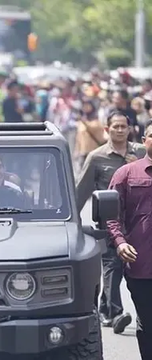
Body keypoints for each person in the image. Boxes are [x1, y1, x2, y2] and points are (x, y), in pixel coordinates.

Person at [76, 111, 143, 333]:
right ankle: (116, 314)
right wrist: (70, 221)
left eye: (124, 127)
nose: (120, 130)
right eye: (115, 126)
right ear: (107, 129)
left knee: (136, 268)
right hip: (109, 224)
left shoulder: (142, 152)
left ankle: (106, 308)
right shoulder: (97, 157)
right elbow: (81, 192)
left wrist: (138, 164)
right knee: (112, 267)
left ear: (130, 129)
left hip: (138, 223)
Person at [107, 120, 152, 359]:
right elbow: (111, 215)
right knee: (148, 322)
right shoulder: (126, 173)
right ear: (144, 140)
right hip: (141, 265)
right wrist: (120, 241)